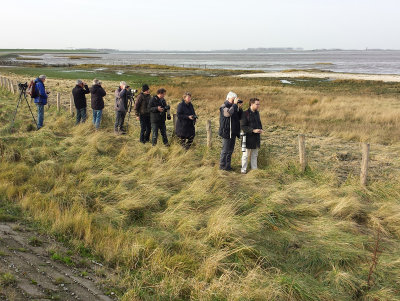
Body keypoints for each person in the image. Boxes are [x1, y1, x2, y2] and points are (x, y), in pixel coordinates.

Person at [218, 91, 243, 171]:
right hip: (226, 131)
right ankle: (222, 166)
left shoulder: (234, 107)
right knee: (225, 150)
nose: (234, 100)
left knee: (230, 150)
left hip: (233, 132)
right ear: (228, 98)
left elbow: (239, 117)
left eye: (235, 99)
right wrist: (235, 105)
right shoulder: (223, 106)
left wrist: (240, 108)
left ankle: (227, 166)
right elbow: (228, 114)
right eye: (233, 99)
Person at [240, 98, 263, 174]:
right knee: (245, 155)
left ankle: (254, 170)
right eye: (257, 104)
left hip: (256, 137)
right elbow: (243, 126)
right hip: (247, 138)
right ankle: (243, 170)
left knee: (255, 155)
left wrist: (260, 129)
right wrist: (253, 130)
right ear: (252, 104)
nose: (258, 106)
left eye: (259, 104)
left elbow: (259, 123)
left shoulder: (257, 113)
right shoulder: (245, 113)